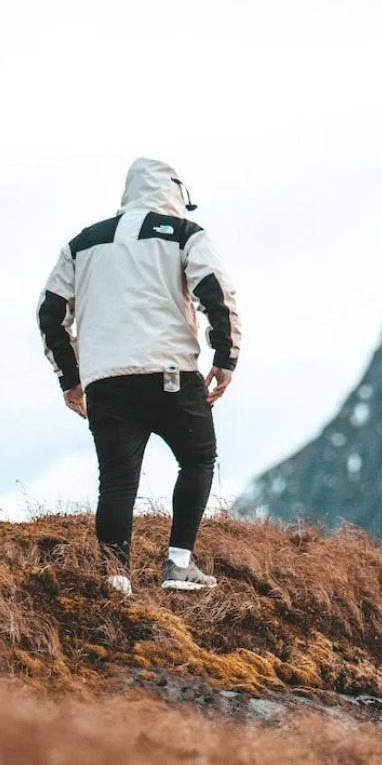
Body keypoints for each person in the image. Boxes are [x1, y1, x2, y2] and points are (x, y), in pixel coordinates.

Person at [37, 158, 241, 595]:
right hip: (171, 374)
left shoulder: (81, 243)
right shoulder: (187, 235)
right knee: (198, 458)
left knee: (116, 481)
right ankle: (179, 564)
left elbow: (50, 313)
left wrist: (71, 379)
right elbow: (215, 295)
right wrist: (225, 358)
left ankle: (115, 578)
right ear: (176, 194)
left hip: (106, 382)